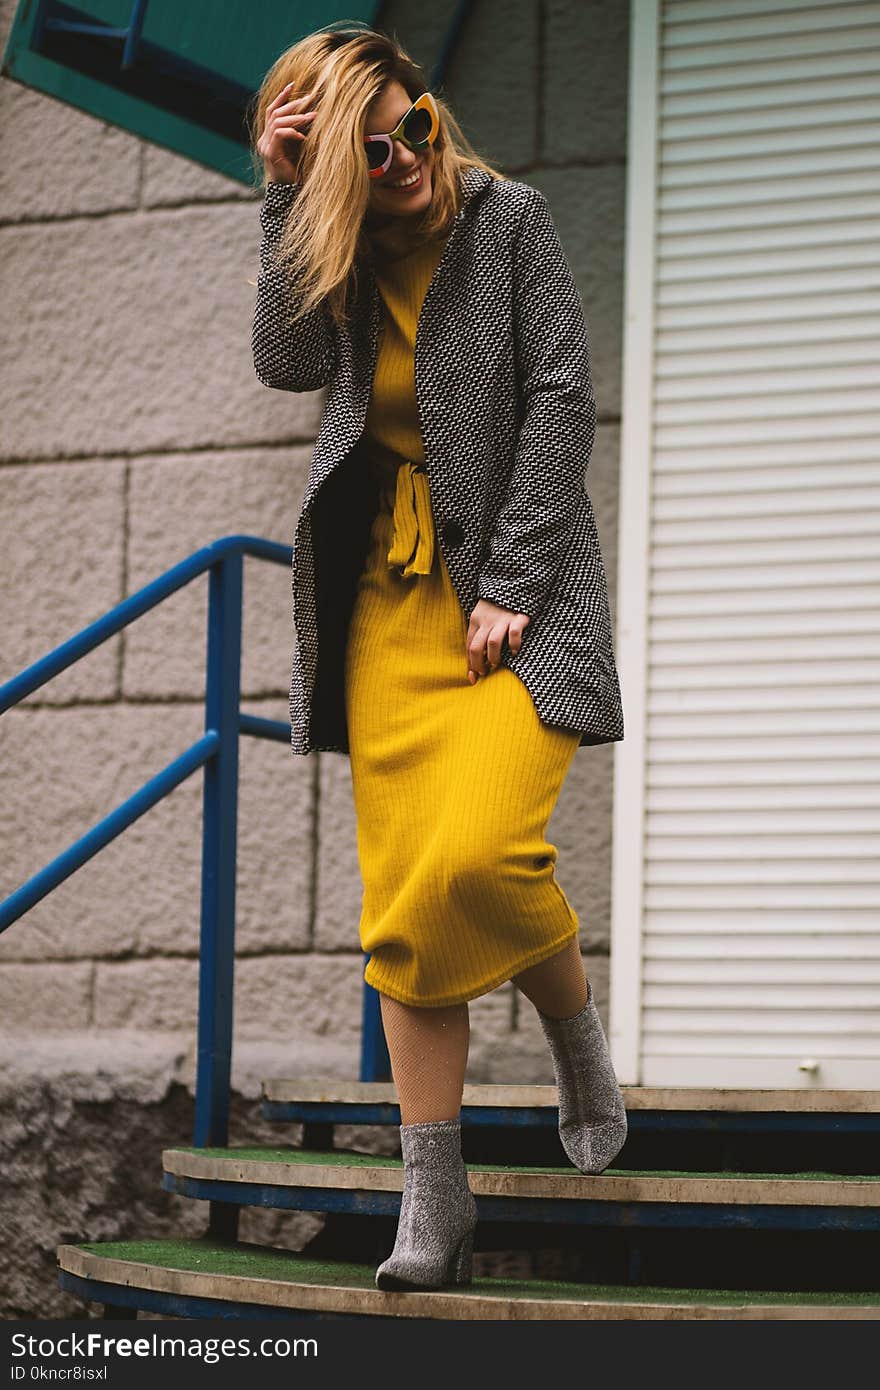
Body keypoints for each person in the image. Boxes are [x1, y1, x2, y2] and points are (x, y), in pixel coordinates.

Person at [250, 22, 627, 1293]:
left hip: (517, 593)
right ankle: (435, 1193)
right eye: (374, 145)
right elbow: (284, 361)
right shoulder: (339, 249)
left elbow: (564, 395)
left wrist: (513, 585)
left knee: (481, 853)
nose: (408, 153)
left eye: (415, 124)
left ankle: (572, 1033)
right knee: (406, 906)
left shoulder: (507, 219)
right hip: (382, 607)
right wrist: (283, 194)